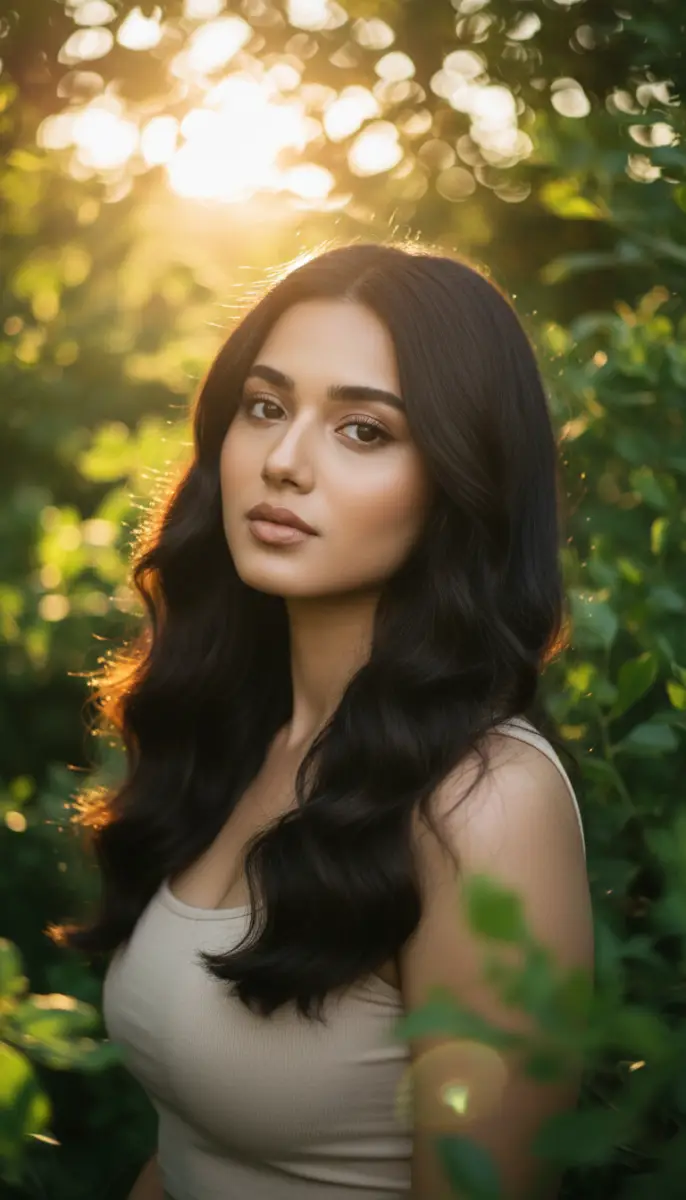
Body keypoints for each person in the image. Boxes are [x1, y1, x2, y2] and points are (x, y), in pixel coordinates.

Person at [54, 241, 593, 1200]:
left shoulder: (484, 803)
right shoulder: (234, 733)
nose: (285, 463)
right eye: (266, 408)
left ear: (462, 477)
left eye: (364, 431)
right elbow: (185, 1158)